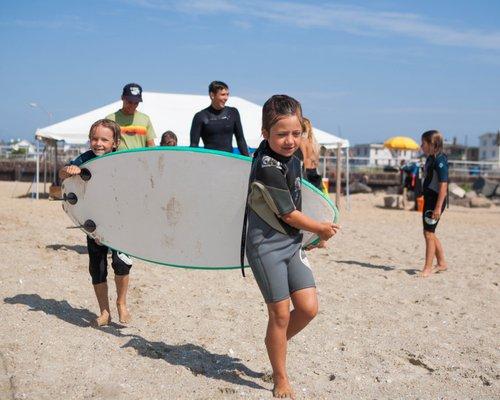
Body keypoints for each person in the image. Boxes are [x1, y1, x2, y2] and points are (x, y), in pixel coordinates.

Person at [244, 95, 340, 398]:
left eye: (295, 133)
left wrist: (311, 238)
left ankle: (276, 343)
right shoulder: (267, 166)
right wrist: (321, 229)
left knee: (309, 309)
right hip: (265, 247)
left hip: (291, 243)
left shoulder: (295, 157)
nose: (289, 140)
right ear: (265, 135)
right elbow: (288, 213)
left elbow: (303, 195)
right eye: (281, 134)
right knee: (281, 315)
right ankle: (280, 376)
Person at [59, 119, 132, 326]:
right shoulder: (86, 159)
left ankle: (121, 303)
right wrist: (69, 170)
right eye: (94, 138)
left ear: (115, 142)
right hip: (94, 221)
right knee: (97, 266)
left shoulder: (122, 160)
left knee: (121, 263)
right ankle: (104, 311)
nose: (98, 143)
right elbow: (62, 174)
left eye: (104, 139)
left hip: (120, 221)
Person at [190, 81, 249, 156]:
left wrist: (248, 161)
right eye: (223, 95)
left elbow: (240, 139)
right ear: (212, 95)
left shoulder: (233, 113)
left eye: (227, 95)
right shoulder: (200, 116)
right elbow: (193, 146)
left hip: (228, 160)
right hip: (209, 162)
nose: (226, 98)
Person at [420, 129, 449, 277]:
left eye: (423, 143)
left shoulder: (440, 160)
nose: (421, 146)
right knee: (429, 232)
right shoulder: (430, 158)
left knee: (428, 233)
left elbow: (443, 184)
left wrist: (438, 207)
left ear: (433, 144)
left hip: (436, 201)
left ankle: (427, 268)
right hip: (429, 199)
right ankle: (442, 263)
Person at [106, 83, 156, 150]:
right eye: (129, 102)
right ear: (122, 97)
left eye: (136, 103)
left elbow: (151, 146)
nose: (132, 105)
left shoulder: (145, 119)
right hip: (118, 159)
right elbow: (105, 143)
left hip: (140, 159)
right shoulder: (110, 119)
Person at [298, 118, 323, 191]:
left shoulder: (302, 141)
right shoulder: (313, 141)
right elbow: (316, 159)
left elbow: (304, 158)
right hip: (314, 171)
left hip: (306, 171)